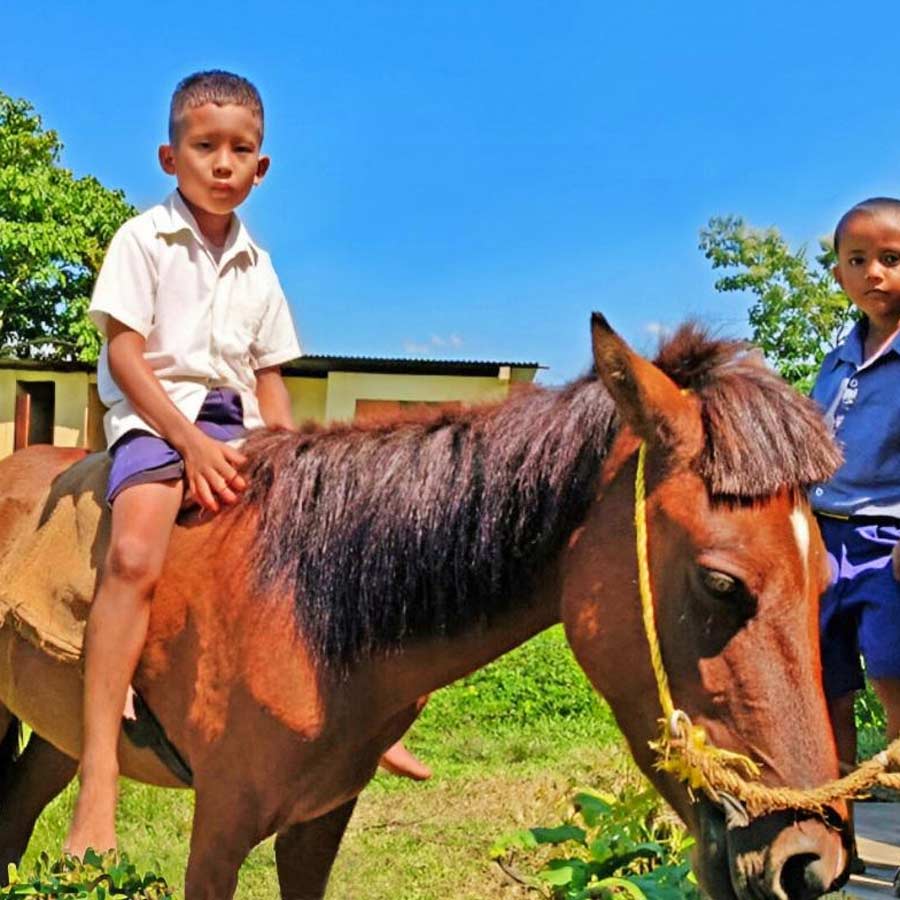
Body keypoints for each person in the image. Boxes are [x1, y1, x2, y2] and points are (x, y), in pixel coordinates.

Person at [65, 70, 428, 859]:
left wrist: (295, 466)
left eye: (241, 151)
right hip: (157, 421)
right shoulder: (142, 240)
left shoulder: (260, 265)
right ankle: (98, 771)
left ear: (261, 168)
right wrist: (187, 444)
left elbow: (270, 382)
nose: (223, 164)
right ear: (170, 157)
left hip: (240, 428)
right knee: (135, 550)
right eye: (205, 148)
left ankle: (363, 723)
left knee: (333, 550)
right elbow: (123, 353)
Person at [809, 196, 900, 867]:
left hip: (888, 547)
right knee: (826, 683)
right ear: (838, 274)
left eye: (893, 260)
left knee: (894, 678)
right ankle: (840, 832)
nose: (876, 273)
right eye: (859, 260)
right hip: (820, 542)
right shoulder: (836, 359)